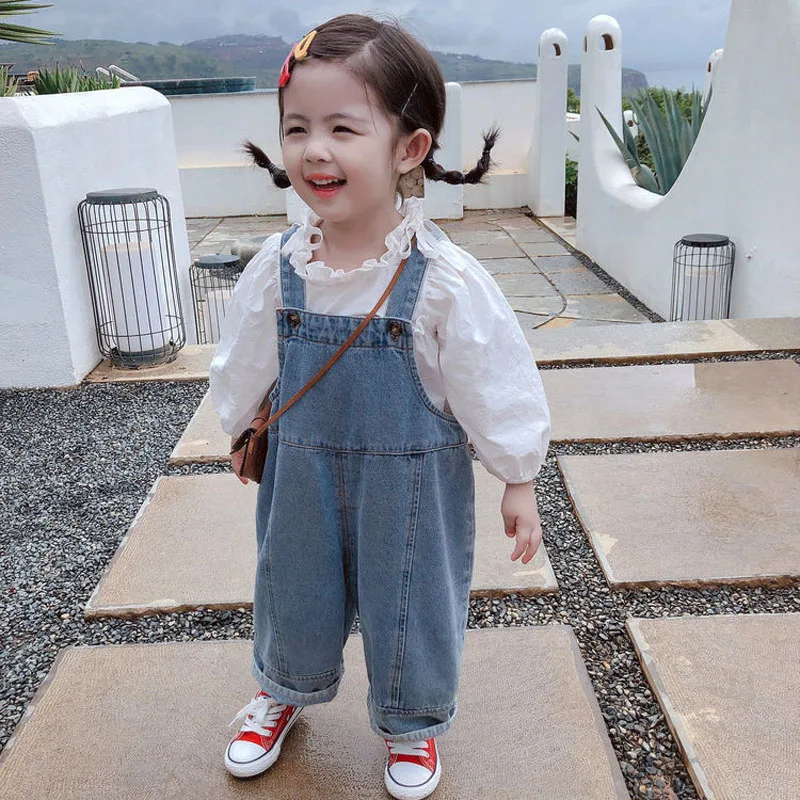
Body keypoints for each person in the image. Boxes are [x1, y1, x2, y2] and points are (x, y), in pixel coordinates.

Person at [208, 14, 550, 799]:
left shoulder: (443, 279)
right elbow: (247, 356)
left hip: (413, 481)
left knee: (413, 600)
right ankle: (282, 687)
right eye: (297, 128)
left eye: (342, 128)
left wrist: (518, 475)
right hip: (301, 470)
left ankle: (411, 720)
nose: (313, 150)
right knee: (292, 583)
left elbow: (494, 375)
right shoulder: (281, 266)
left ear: (409, 148)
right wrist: (241, 422)